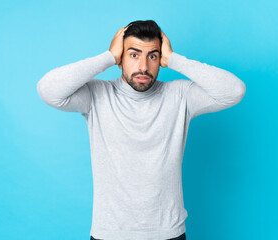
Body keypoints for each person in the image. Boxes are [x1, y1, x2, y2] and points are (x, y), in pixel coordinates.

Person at [37, 20, 246, 240]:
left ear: (160, 59)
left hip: (168, 233)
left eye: (152, 56)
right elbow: (49, 89)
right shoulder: (97, 95)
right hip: (110, 234)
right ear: (121, 59)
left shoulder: (180, 95)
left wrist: (175, 60)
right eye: (134, 55)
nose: (143, 66)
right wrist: (107, 57)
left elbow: (234, 90)